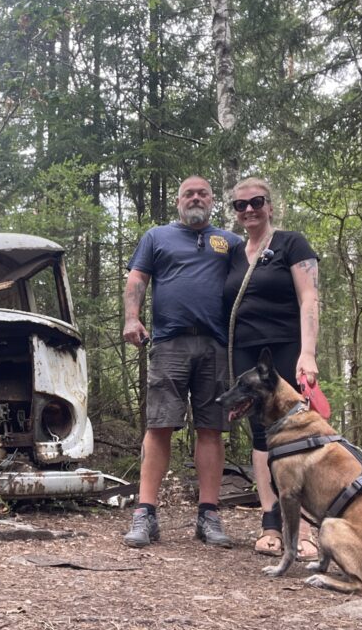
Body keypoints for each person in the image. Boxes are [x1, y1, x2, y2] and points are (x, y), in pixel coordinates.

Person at [122, 175, 242, 548]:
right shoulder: (156, 237)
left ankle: (208, 515)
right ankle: (145, 514)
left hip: (217, 345)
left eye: (202, 193)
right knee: (159, 425)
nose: (195, 198)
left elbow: (249, 282)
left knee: (211, 427)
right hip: (170, 341)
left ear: (211, 201)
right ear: (178, 201)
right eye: (188, 194)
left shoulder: (231, 242)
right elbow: (137, 277)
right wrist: (131, 317)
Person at [222, 176, 320, 560]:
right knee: (261, 436)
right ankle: (270, 522)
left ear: (270, 205)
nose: (248, 210)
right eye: (240, 205)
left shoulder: (291, 243)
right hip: (245, 353)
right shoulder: (231, 253)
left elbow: (309, 296)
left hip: (287, 349)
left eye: (256, 202)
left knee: (299, 433)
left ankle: (307, 525)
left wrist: (307, 353)